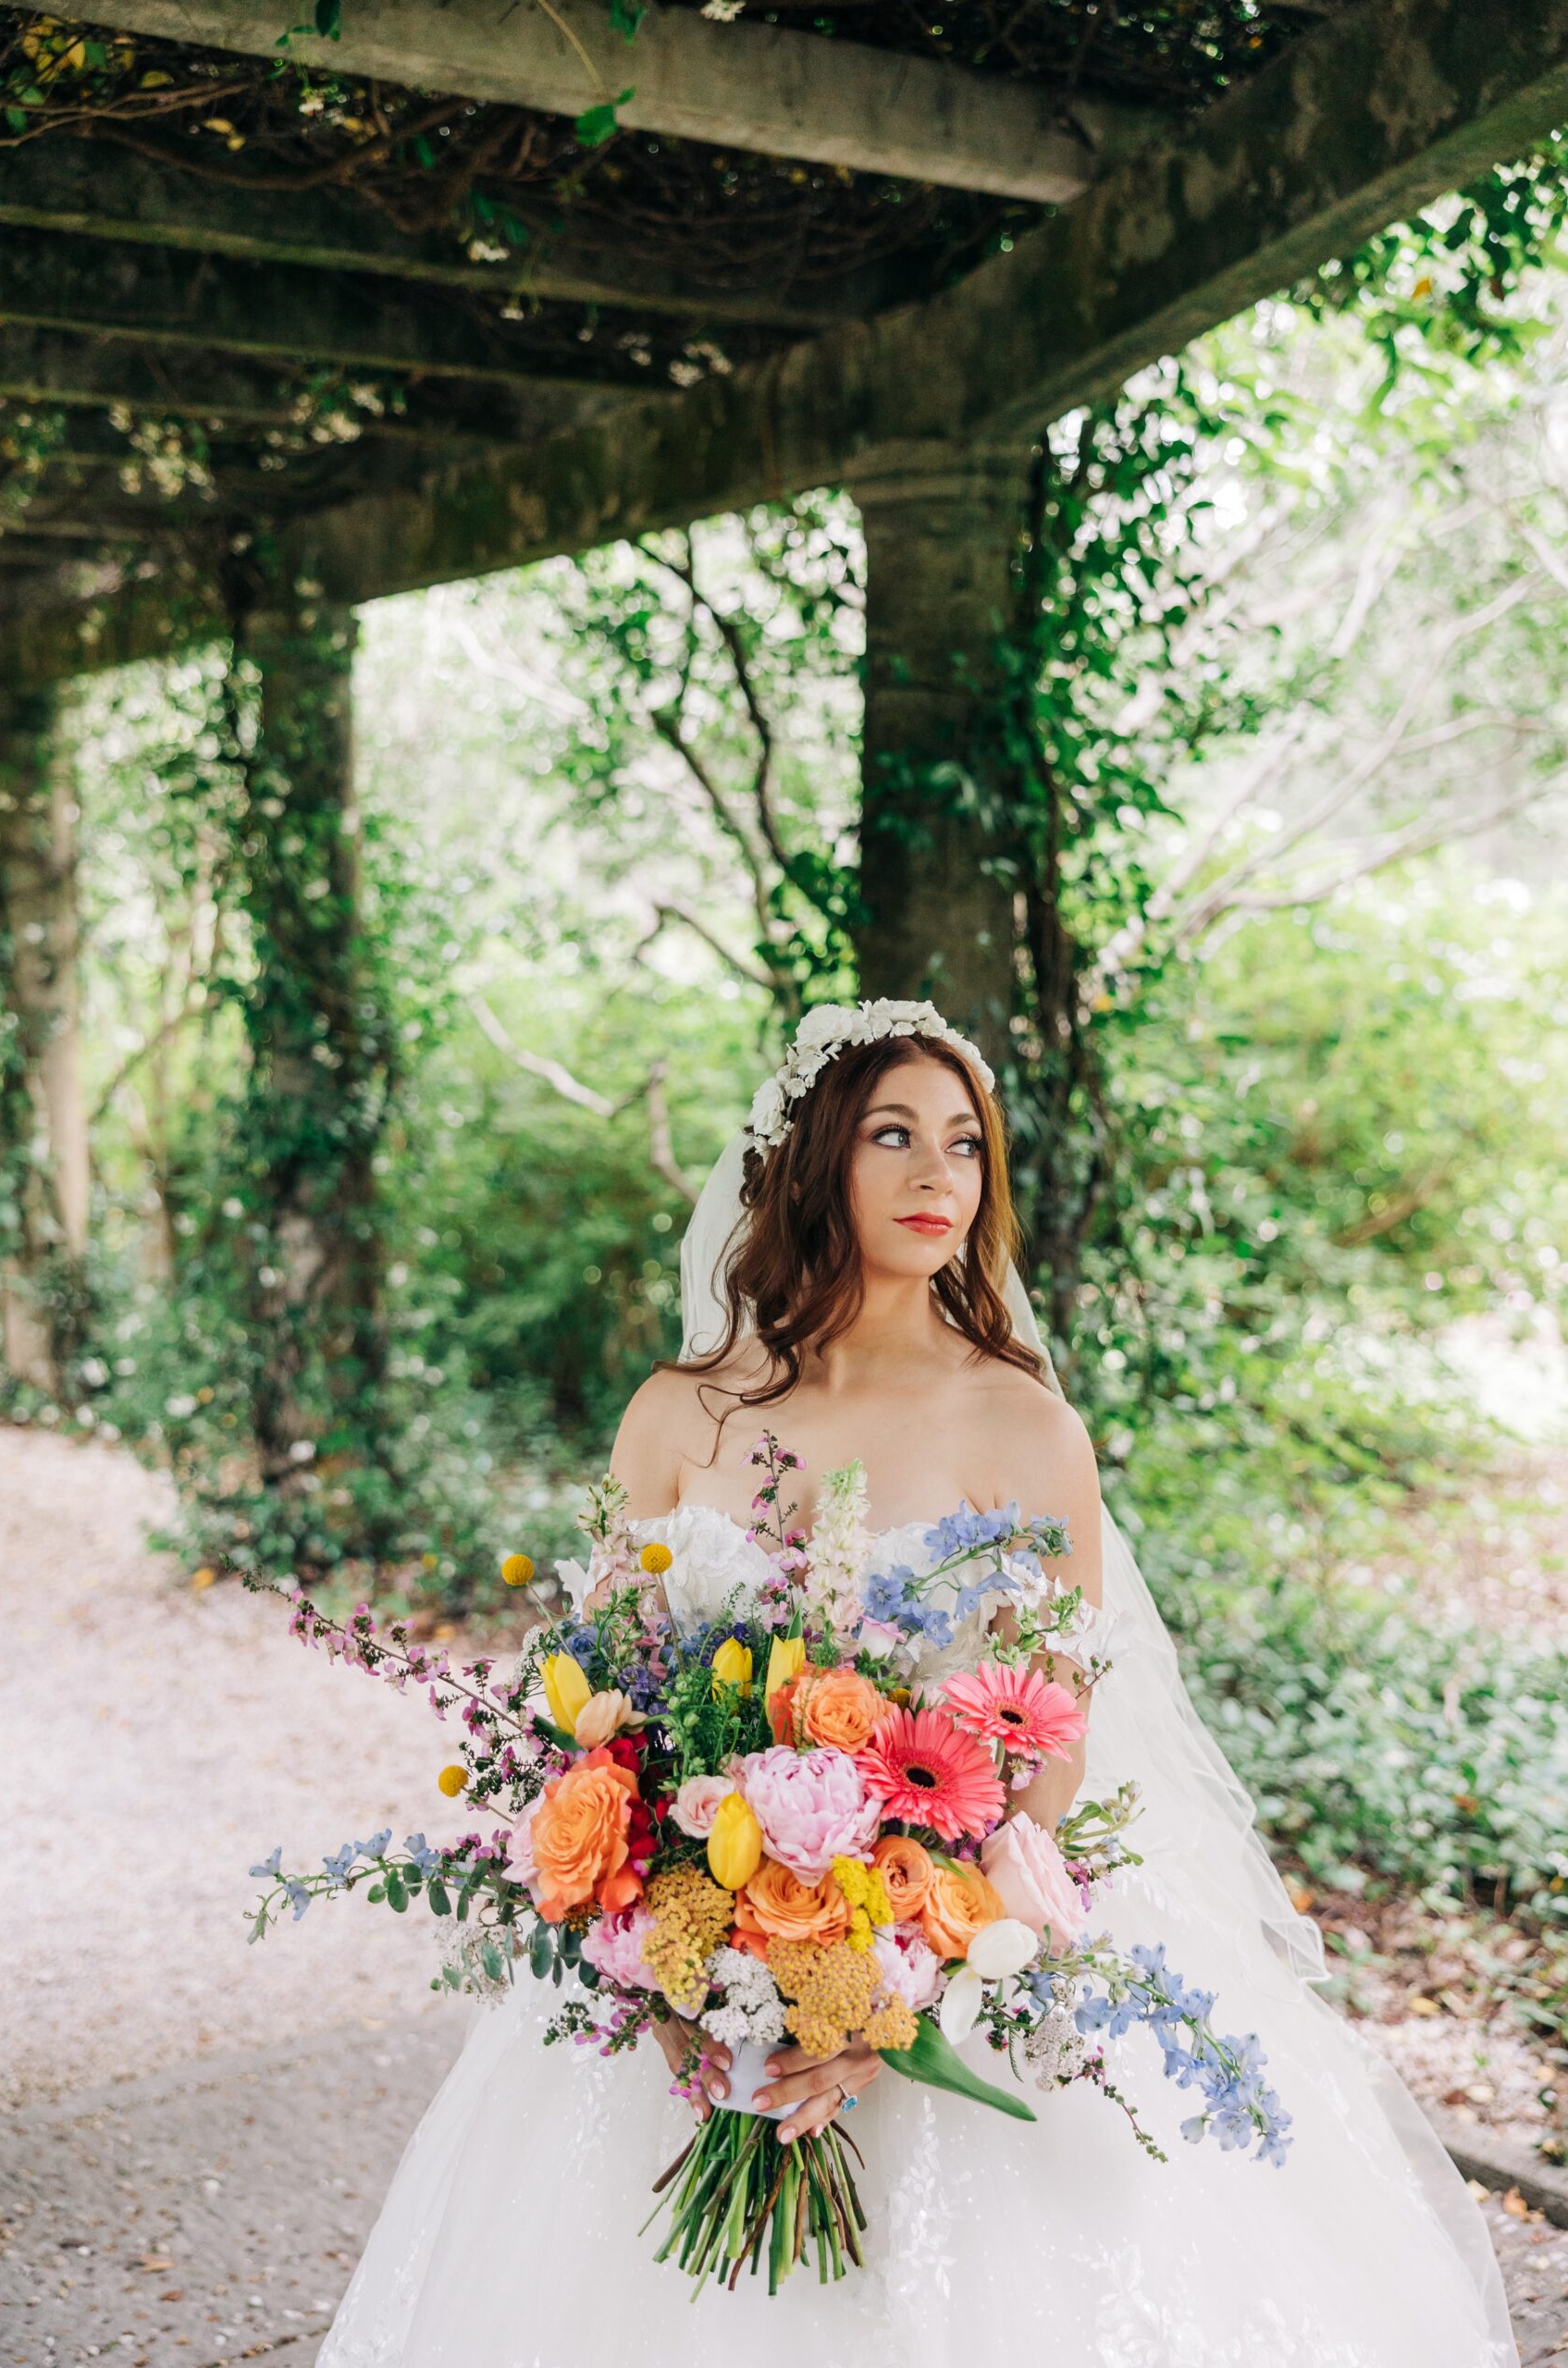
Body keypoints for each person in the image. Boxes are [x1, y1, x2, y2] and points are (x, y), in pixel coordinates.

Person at [318, 1000, 1518, 2368]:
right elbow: (591, 1709)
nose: (938, 1172)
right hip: (691, 1967)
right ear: (817, 1155)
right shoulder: (679, 1411)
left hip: (945, 1945)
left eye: (963, 1143)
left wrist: (898, 1985)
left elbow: (1054, 1736)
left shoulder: (1023, 1423)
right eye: (894, 1134)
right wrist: (662, 1966)